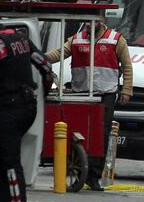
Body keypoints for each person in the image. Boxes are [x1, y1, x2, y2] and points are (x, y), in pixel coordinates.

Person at [46, 19, 133, 191]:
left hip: (105, 94)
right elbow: (59, 54)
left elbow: (127, 65)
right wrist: (40, 57)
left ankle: (93, 177)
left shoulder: (116, 39)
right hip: (82, 93)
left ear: (101, 21)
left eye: (92, 21)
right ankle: (78, 169)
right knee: (78, 133)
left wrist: (127, 90)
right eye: (86, 22)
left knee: (102, 134)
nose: (88, 25)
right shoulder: (76, 39)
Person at [0, 7, 54, 202]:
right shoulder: (20, 38)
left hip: (7, 109)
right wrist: (44, 94)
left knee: (9, 162)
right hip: (28, 107)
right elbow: (46, 67)